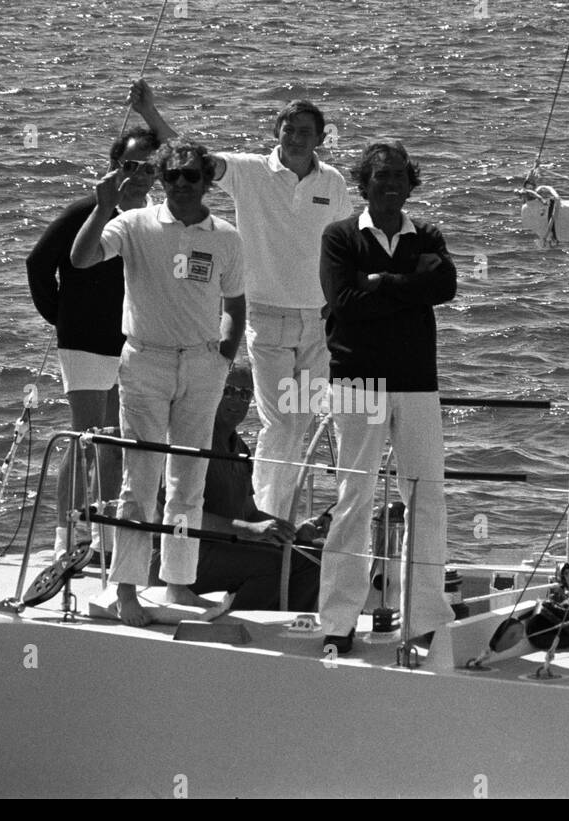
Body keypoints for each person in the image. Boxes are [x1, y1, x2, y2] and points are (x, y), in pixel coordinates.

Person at [138, 86, 355, 520]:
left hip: (318, 321)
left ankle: (270, 514)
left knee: (300, 421)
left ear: (321, 138)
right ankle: (269, 519)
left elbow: (348, 246)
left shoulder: (332, 182)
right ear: (277, 131)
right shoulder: (249, 171)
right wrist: (149, 111)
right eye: (289, 129)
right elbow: (189, 158)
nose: (295, 138)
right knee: (280, 423)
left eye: (305, 132)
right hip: (266, 318)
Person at [71, 138, 245, 627]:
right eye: (174, 176)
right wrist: (103, 205)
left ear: (208, 181)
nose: (184, 185)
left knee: (189, 480)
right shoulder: (134, 224)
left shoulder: (227, 237)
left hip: (202, 365)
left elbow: (235, 302)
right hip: (145, 361)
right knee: (139, 481)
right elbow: (81, 259)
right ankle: (127, 589)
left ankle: (179, 584)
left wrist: (223, 356)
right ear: (162, 180)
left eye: (193, 176)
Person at [316, 140, 457, 654]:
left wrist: (382, 282)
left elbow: (445, 287)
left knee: (426, 499)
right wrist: (407, 288)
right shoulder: (340, 237)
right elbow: (344, 303)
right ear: (364, 184)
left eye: (399, 176)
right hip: (358, 381)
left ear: (411, 182)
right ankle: (337, 619)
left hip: (417, 381)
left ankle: (423, 618)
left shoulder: (429, 235)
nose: (391, 185)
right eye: (380, 177)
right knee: (354, 499)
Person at [27, 119, 165, 560]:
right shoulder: (83, 213)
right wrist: (61, 315)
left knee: (117, 440)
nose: (138, 176)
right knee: (84, 437)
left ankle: (104, 530)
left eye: (148, 169)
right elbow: (37, 264)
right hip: (85, 342)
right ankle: (66, 533)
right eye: (130, 166)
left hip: (132, 342)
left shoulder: (153, 219)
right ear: (112, 167)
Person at [149, 360, 327, 611]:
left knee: (315, 554)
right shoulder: (192, 439)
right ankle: (245, 625)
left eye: (245, 394)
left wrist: (293, 531)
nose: (237, 400)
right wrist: (250, 530)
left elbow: (250, 513)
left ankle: (294, 624)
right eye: (229, 390)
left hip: (224, 547)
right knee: (273, 563)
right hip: (179, 554)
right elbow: (178, 515)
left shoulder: (240, 449)